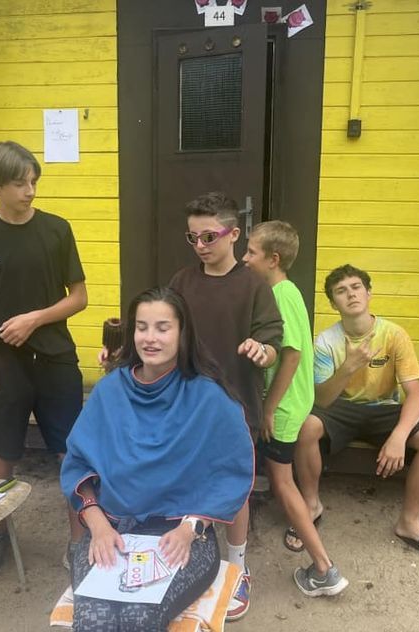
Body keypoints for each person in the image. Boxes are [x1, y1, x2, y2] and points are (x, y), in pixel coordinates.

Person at [61, 287, 254, 631]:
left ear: (182, 333)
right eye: (142, 327)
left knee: (139, 618)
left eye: (162, 328)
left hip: (180, 533)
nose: (150, 338)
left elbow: (230, 473)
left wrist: (190, 528)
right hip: (111, 529)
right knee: (93, 620)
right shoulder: (110, 391)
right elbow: (78, 465)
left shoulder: (208, 396)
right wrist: (98, 526)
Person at [0, 141, 88, 578]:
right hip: (5, 363)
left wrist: (35, 319)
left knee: (71, 453)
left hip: (56, 358)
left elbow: (79, 298)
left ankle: (79, 542)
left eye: (33, 181)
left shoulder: (56, 230)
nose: (30, 191)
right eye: (19, 184)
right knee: (3, 452)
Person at [169, 192, 284, 620]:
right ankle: (193, 553)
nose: (200, 245)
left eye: (209, 236)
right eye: (193, 237)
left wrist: (261, 350)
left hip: (237, 404)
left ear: (233, 234)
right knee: (186, 480)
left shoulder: (254, 285)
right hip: (186, 402)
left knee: (234, 488)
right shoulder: (182, 282)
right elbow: (163, 331)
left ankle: (236, 565)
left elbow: (273, 344)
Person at [294, 264, 419, 563]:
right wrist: (348, 367)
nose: (350, 295)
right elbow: (323, 399)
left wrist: (399, 436)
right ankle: (311, 506)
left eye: (356, 287)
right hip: (341, 408)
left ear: (368, 293)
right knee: (306, 427)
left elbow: (415, 393)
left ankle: (410, 523)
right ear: (333, 303)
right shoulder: (326, 341)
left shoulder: (394, 335)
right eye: (341, 291)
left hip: (384, 409)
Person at [242, 221, 349, 596]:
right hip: (293, 401)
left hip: (284, 406)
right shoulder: (286, 290)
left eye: (251, 252)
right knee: (281, 480)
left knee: (283, 483)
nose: (244, 258)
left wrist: (269, 408)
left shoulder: (280, 295)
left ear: (273, 259)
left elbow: (290, 355)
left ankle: (324, 569)